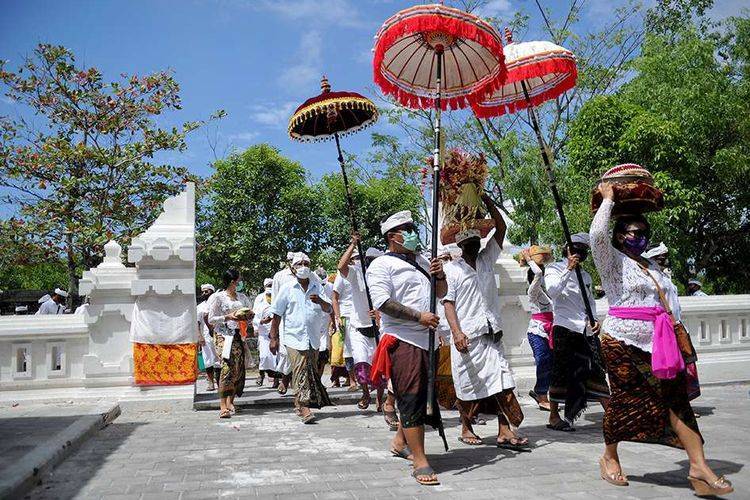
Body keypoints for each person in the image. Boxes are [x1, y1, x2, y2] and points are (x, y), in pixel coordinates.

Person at [590, 183, 732, 496]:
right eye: (631, 231)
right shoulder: (611, 260)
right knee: (626, 402)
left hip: (659, 344)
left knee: (677, 401)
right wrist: (609, 200)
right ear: (619, 234)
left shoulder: (653, 266)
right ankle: (609, 457)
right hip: (621, 341)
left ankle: (698, 467)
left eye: (643, 232)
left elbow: (672, 305)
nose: (638, 237)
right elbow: (596, 236)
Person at [367, 210, 447, 486]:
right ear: (393, 236)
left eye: (414, 228)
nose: (413, 233)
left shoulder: (424, 261)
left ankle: (401, 441)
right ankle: (420, 459)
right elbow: (383, 302)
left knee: (424, 395)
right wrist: (418, 317)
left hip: (429, 340)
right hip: (404, 339)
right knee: (411, 397)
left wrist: (440, 275)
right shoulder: (380, 266)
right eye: (407, 229)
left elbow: (441, 293)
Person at [442, 196, 528, 450]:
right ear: (460, 244)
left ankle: (504, 431)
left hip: (492, 332)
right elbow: (448, 303)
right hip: (467, 337)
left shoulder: (487, 258)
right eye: (469, 241)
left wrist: (486, 199)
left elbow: (501, 228)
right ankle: (466, 426)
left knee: (502, 380)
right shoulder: (452, 270)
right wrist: (456, 332)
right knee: (467, 385)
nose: (474, 244)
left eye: (476, 240)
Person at [545, 233, 610, 431]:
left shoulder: (586, 276)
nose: (580, 254)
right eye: (576, 250)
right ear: (567, 250)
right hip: (565, 327)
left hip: (585, 329)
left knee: (595, 369)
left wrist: (595, 319)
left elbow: (589, 300)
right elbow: (553, 292)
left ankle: (611, 414)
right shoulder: (554, 268)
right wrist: (568, 269)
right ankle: (554, 416)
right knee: (561, 371)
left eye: (583, 251)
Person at [269, 254, 333, 423]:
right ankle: (305, 408)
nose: (303, 266)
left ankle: (299, 402)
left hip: (313, 338)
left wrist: (319, 300)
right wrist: (273, 338)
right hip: (293, 338)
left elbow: (329, 308)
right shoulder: (287, 288)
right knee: (300, 370)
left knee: (310, 371)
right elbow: (276, 315)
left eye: (306, 263)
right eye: (299, 264)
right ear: (293, 267)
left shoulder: (317, 286)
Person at [337, 236, 385, 411]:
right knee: (361, 363)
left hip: (378, 329)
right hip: (359, 328)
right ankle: (365, 393)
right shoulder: (357, 273)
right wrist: (353, 244)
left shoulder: (384, 276)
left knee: (379, 366)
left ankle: (380, 398)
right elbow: (341, 266)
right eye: (370, 261)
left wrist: (379, 313)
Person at [208, 269, 253, 419]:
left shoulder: (242, 298)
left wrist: (248, 317)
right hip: (223, 336)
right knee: (227, 367)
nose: (240, 283)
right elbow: (211, 319)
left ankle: (230, 401)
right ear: (233, 281)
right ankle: (222, 406)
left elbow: (250, 317)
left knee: (238, 368)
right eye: (239, 280)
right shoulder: (218, 297)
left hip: (238, 336)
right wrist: (228, 317)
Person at [521, 245, 554, 412]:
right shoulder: (533, 291)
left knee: (551, 363)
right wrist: (528, 259)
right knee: (543, 361)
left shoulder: (549, 293)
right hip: (537, 331)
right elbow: (539, 273)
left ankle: (543, 393)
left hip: (551, 331)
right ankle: (542, 395)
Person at [252, 279, 278, 387]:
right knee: (264, 357)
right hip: (263, 333)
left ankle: (276, 379)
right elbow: (253, 315)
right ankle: (261, 375)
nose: (270, 286)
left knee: (276, 357)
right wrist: (257, 325)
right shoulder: (259, 299)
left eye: (271, 285)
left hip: (276, 333)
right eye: (268, 285)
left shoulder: (277, 296)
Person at [197, 284, 219, 391]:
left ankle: (220, 383)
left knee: (219, 360)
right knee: (208, 360)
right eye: (203, 292)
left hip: (219, 335)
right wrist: (200, 336)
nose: (204, 294)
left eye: (207, 291)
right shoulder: (200, 307)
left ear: (212, 292)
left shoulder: (218, 303)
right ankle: (211, 382)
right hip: (206, 336)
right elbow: (197, 323)